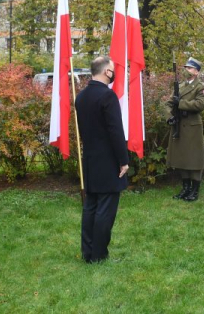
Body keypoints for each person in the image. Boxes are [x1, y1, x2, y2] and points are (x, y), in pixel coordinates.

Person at [75, 56, 130, 264]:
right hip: (108, 162)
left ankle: (87, 252)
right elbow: (115, 131)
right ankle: (99, 255)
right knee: (105, 210)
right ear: (106, 71)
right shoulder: (107, 97)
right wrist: (123, 160)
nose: (114, 72)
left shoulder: (80, 97)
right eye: (113, 69)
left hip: (90, 159)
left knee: (90, 207)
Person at [166, 57, 204, 202]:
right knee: (182, 158)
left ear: (196, 71)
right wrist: (169, 117)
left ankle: (195, 190)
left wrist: (182, 103)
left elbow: (201, 104)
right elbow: (168, 104)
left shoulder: (201, 87)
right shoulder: (181, 86)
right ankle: (186, 188)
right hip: (179, 126)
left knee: (194, 159)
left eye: (190, 68)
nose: (187, 70)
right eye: (186, 68)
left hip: (192, 128)